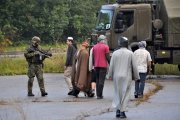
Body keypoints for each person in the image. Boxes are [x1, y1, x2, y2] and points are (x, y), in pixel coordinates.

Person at [108, 36, 139, 118]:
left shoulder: (115, 53)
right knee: (125, 94)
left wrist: (110, 75)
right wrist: (136, 77)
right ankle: (122, 112)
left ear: (119, 44)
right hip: (126, 76)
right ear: (127, 44)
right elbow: (134, 66)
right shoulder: (130, 53)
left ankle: (117, 111)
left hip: (116, 77)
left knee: (117, 93)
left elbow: (111, 66)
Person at [93, 35, 110, 99]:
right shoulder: (106, 47)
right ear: (103, 40)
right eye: (105, 39)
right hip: (103, 66)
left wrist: (93, 65)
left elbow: (93, 57)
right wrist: (110, 63)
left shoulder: (94, 47)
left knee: (97, 80)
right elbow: (107, 57)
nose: (105, 40)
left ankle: (98, 94)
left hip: (96, 65)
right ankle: (100, 95)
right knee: (101, 81)